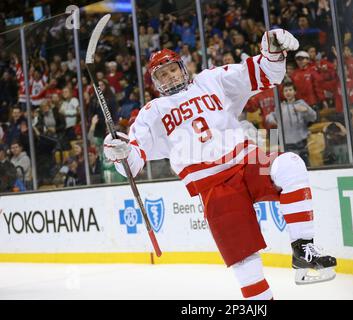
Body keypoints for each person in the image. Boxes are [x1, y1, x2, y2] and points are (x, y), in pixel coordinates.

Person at [103, 29, 336, 299]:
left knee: (289, 164)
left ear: (182, 68)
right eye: (162, 74)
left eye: (172, 69)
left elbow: (265, 74)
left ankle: (303, 249)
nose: (169, 76)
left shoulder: (212, 80)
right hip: (212, 185)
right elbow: (132, 165)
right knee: (244, 260)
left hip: (247, 161)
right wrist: (118, 151)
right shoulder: (150, 114)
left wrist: (272, 53)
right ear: (155, 82)